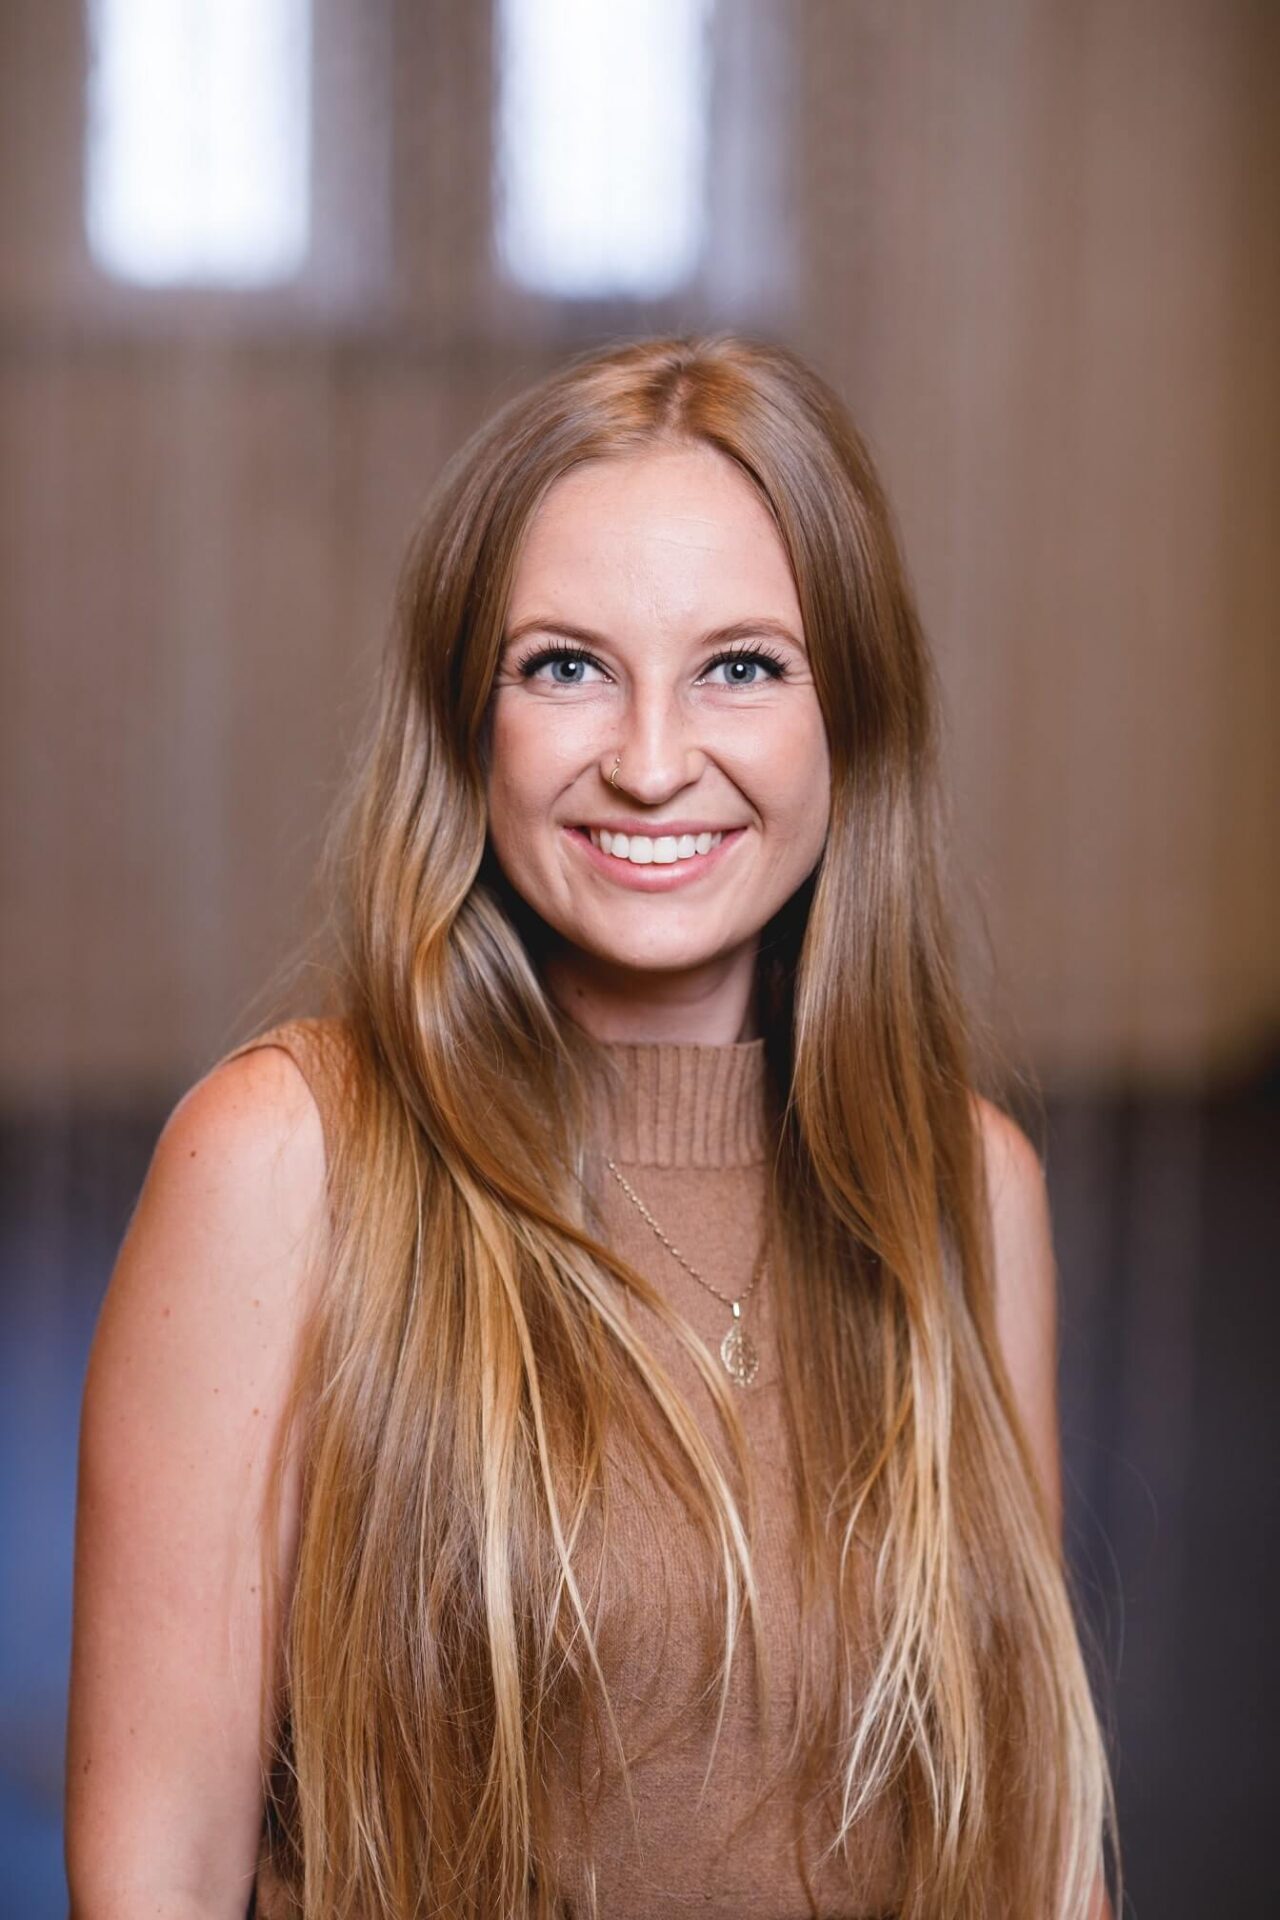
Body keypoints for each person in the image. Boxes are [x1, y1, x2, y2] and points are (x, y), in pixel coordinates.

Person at [64, 333, 1118, 1919]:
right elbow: (157, 1871)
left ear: (856, 718)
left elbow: (1033, 1851)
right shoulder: (283, 1161)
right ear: (468, 722)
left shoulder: (969, 1185)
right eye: (566, 666)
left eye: (741, 666)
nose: (646, 759)